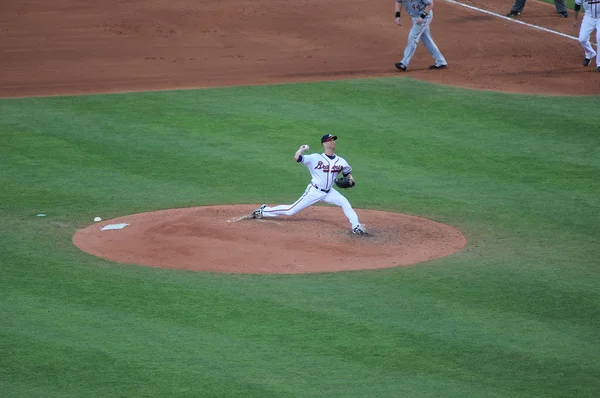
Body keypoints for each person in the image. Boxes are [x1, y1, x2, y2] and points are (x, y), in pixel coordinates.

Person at [250, 134, 368, 235]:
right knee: (291, 211)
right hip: (314, 191)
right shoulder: (315, 158)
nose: (333, 142)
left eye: (334, 140)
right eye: (330, 140)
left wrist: (351, 180)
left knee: (344, 202)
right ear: (324, 144)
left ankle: (356, 226)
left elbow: (348, 174)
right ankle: (263, 211)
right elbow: (297, 158)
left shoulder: (341, 161)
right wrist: (301, 149)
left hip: (329, 192)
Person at [394, 0, 448, 72]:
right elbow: (398, 1)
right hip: (415, 18)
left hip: (425, 16)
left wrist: (422, 16)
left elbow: (431, 3)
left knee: (413, 36)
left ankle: (404, 63)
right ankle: (441, 61)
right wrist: (397, 16)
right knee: (427, 39)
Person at [573, 0, 600, 71]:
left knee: (599, 38)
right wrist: (575, 20)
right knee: (582, 39)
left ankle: (599, 64)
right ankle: (590, 53)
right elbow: (577, 6)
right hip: (589, 17)